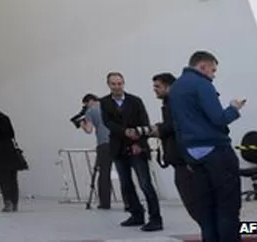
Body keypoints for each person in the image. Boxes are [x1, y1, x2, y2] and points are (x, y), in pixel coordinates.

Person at [168, 51, 245, 242]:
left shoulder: (176, 88)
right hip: (216, 152)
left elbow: (177, 123)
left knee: (206, 209)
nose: (214, 75)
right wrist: (234, 108)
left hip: (193, 154)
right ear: (202, 67)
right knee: (227, 206)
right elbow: (219, 118)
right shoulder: (202, 85)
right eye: (213, 70)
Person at [99, 72, 162, 232]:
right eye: (114, 84)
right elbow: (108, 122)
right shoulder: (105, 102)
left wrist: (139, 143)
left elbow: (144, 122)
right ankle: (136, 214)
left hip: (137, 147)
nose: (117, 87)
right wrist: (124, 132)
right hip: (118, 148)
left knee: (145, 183)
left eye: (120, 83)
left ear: (123, 83)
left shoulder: (135, 101)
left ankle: (155, 218)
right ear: (109, 85)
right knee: (126, 184)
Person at [147, 73, 197, 223]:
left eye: (158, 86)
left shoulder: (175, 104)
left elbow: (176, 126)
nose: (154, 90)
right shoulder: (172, 103)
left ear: (169, 87)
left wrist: (159, 130)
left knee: (196, 205)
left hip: (185, 160)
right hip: (182, 160)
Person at [78, 92, 112, 210]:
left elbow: (89, 130)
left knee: (104, 174)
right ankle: (129, 202)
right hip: (118, 141)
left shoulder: (91, 111)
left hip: (104, 144)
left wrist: (82, 123)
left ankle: (105, 203)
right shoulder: (109, 106)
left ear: (89, 101)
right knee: (124, 173)